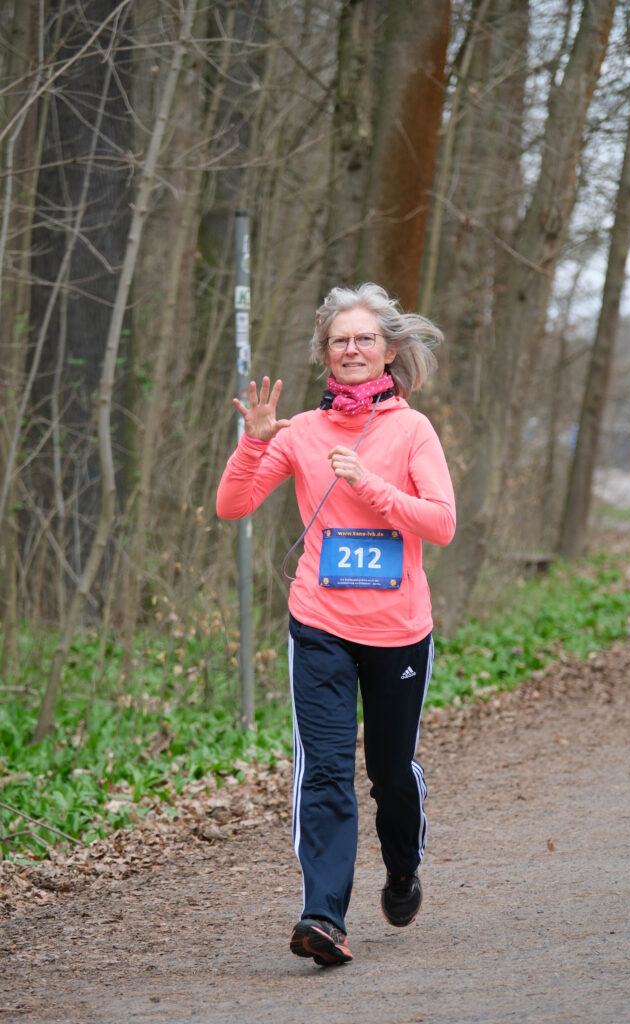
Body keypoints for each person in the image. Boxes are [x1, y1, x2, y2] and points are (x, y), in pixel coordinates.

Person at [216, 282, 456, 967]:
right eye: (339, 340)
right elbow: (232, 505)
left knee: (389, 773)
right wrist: (254, 442)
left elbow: (441, 523)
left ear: (388, 351)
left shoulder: (412, 430)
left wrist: (368, 486)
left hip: (398, 630)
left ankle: (403, 866)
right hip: (319, 623)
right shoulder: (300, 432)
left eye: (364, 339)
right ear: (325, 352)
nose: (351, 349)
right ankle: (323, 916)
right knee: (322, 770)